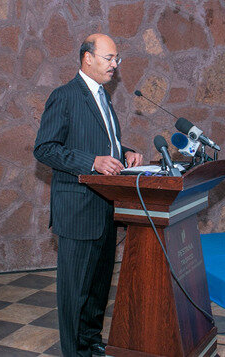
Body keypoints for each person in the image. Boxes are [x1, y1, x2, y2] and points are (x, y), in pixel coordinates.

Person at [33, 33, 143, 357]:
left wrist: (126, 153)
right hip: (78, 212)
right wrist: (91, 162)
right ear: (87, 58)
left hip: (106, 210)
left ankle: (92, 345)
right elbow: (45, 148)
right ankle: (75, 352)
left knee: (96, 290)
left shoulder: (104, 98)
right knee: (74, 293)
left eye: (116, 59)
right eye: (109, 58)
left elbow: (103, 145)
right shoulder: (65, 96)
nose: (114, 65)